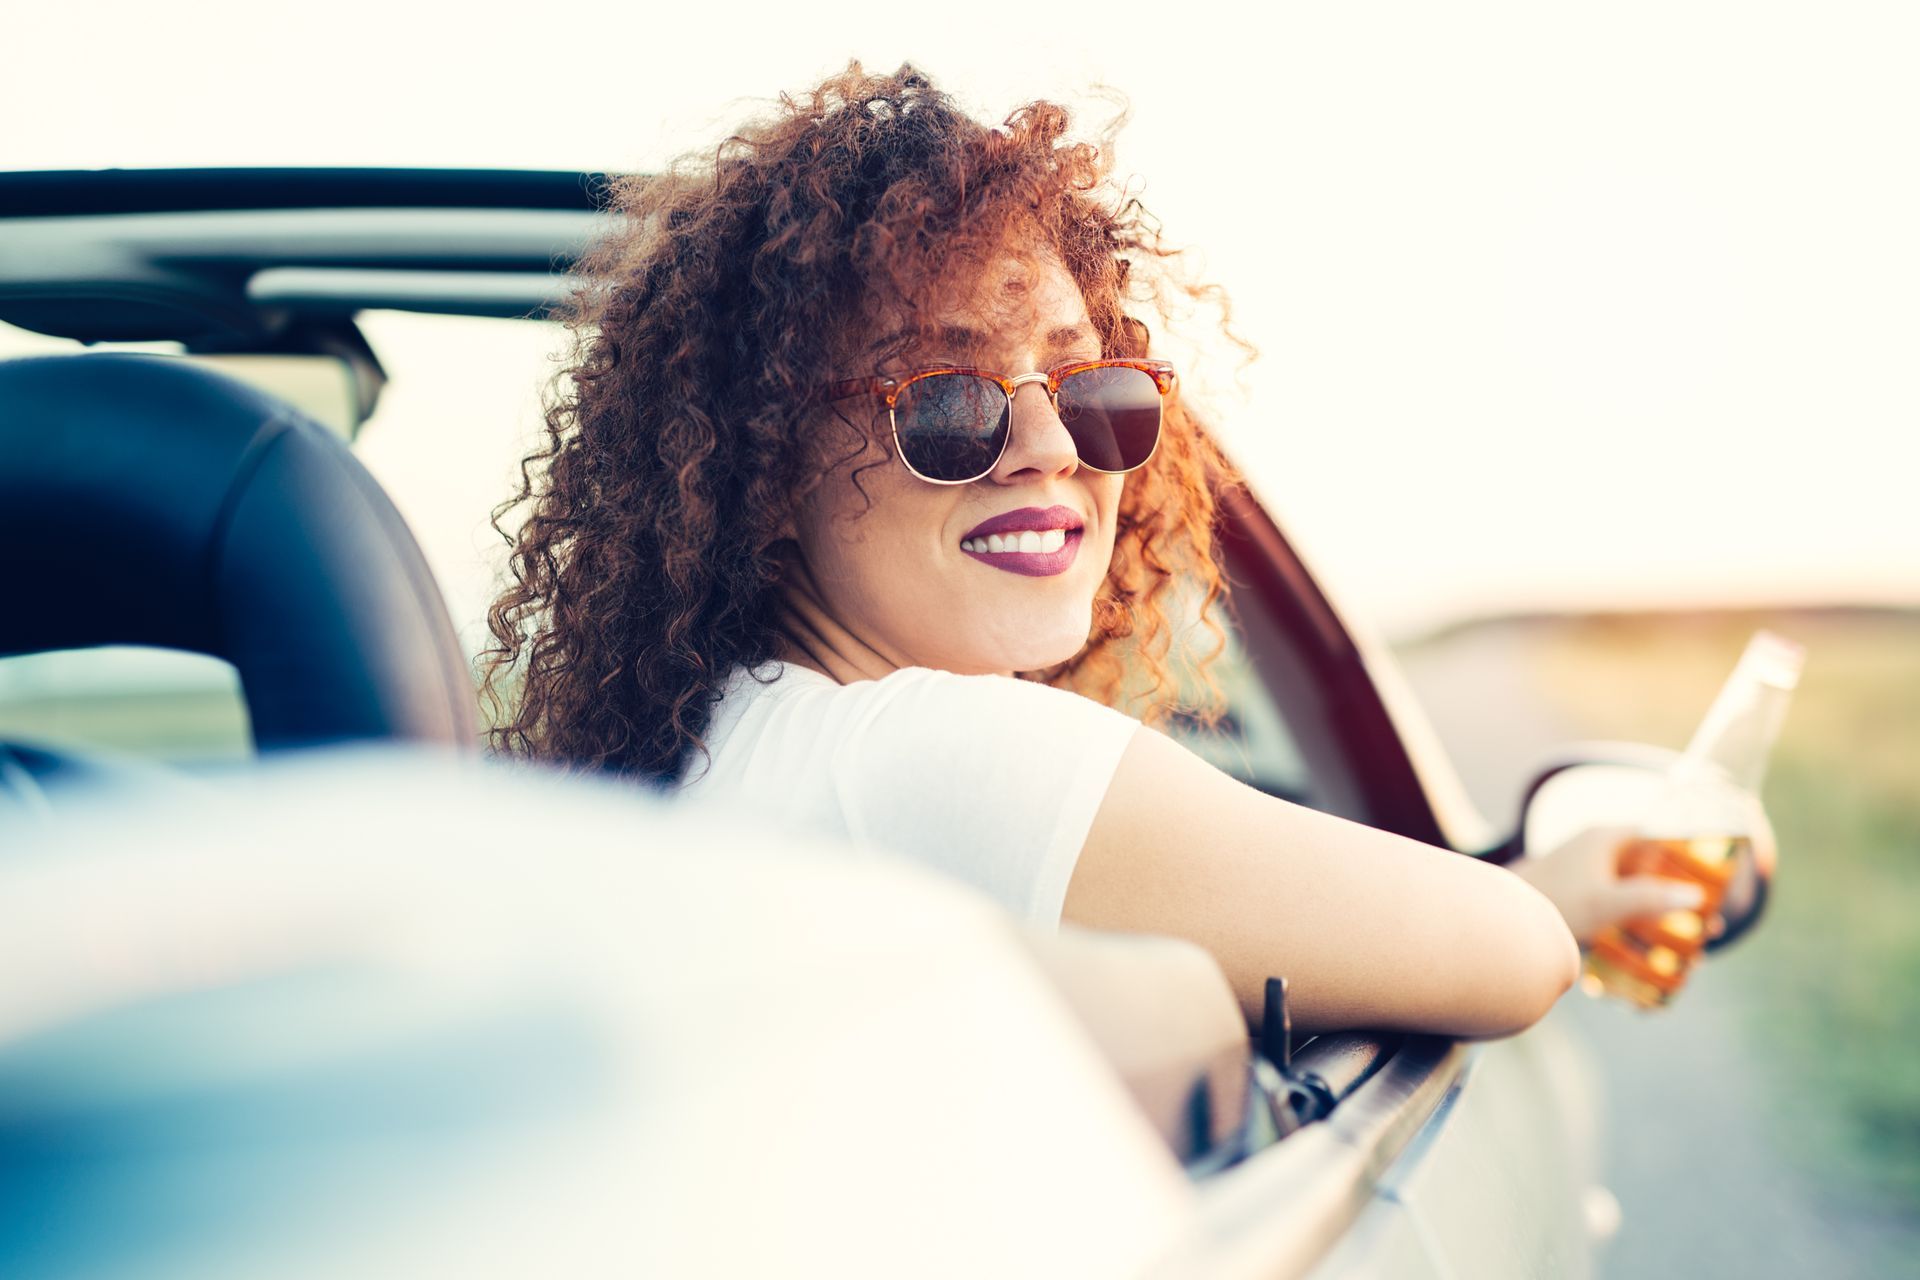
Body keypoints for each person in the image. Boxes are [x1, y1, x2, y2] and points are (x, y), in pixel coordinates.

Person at [482, 63, 1705, 1038]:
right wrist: (1563, 891)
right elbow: (1518, 951)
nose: (1049, 444)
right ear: (763, 467)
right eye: (945, 397)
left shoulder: (738, 740)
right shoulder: (935, 758)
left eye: (1090, 384)